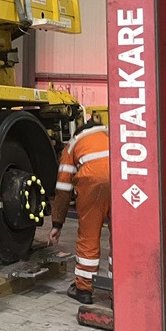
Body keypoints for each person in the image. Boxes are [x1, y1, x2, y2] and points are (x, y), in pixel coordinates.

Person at [48, 117, 110, 304]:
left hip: (93, 187)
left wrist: (57, 223)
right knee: (121, 240)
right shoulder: (114, 135)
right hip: (122, 183)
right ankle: (118, 290)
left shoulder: (74, 144)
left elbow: (63, 188)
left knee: (89, 236)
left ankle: (84, 289)